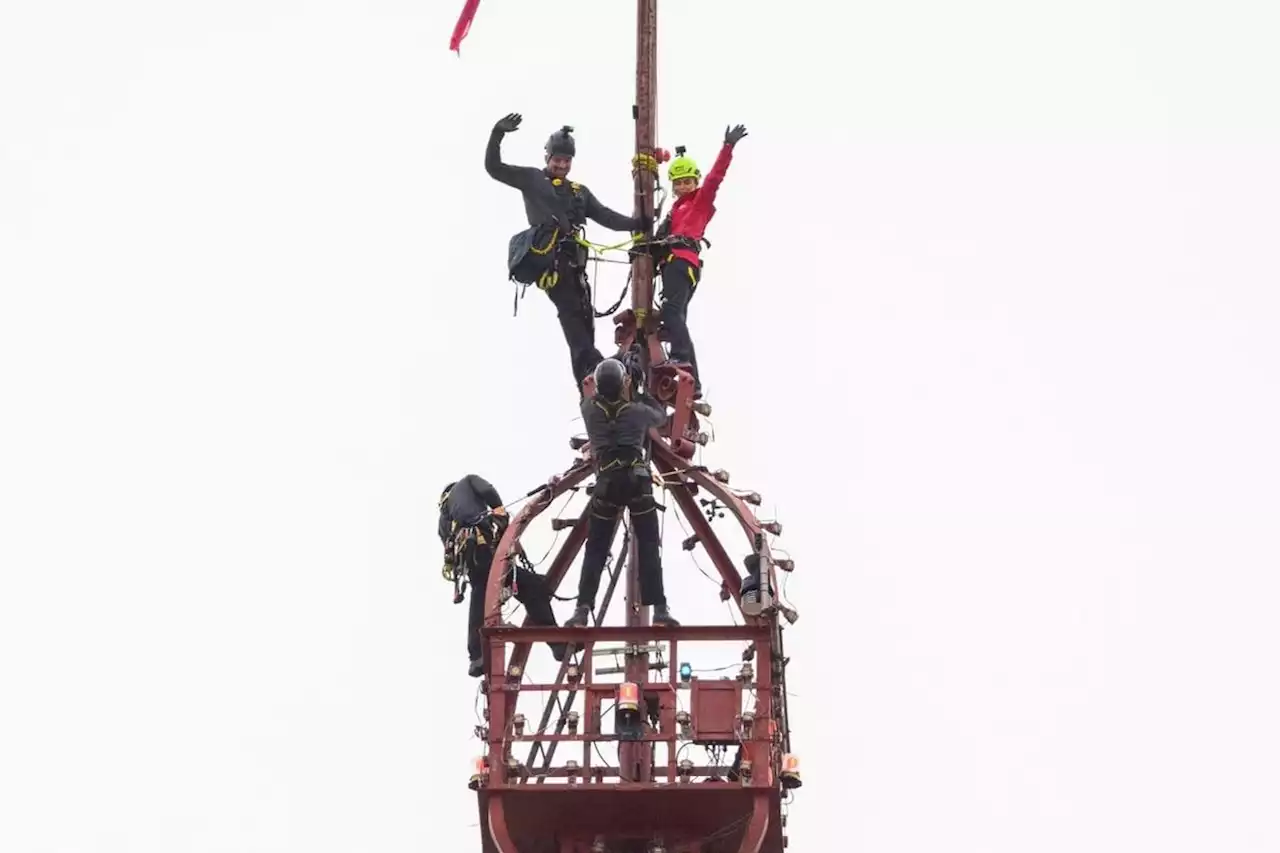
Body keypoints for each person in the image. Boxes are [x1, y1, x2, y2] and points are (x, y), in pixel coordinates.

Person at [486, 113, 650, 393]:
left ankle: (595, 381)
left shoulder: (579, 193)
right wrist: (497, 134)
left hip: (576, 268)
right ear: (547, 157)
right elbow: (494, 168)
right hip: (554, 266)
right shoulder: (531, 179)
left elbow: (605, 216)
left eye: (566, 161)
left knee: (584, 321)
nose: (561, 165)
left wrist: (638, 225)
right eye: (557, 160)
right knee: (573, 319)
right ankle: (593, 375)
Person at [566, 358, 680, 628]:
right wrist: (639, 388)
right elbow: (660, 416)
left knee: (595, 548)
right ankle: (660, 610)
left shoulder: (588, 409)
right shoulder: (637, 411)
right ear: (622, 385)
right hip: (637, 482)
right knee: (649, 545)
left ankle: (582, 610)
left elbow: (595, 395)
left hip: (607, 483)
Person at [652, 123, 749, 399]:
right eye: (678, 183)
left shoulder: (700, 201)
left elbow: (716, 178)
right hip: (674, 263)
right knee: (676, 316)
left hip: (683, 262)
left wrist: (727, 147)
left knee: (672, 313)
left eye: (688, 181)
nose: (683, 186)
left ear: (695, 181)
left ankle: (681, 358)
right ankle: (693, 383)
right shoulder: (673, 212)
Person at [438, 474, 566, 677]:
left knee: (480, 597)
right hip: (484, 551)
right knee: (531, 586)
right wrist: (499, 511)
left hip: (473, 561)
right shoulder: (467, 483)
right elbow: (487, 489)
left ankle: (477, 656)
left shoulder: (444, 522)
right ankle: (557, 642)